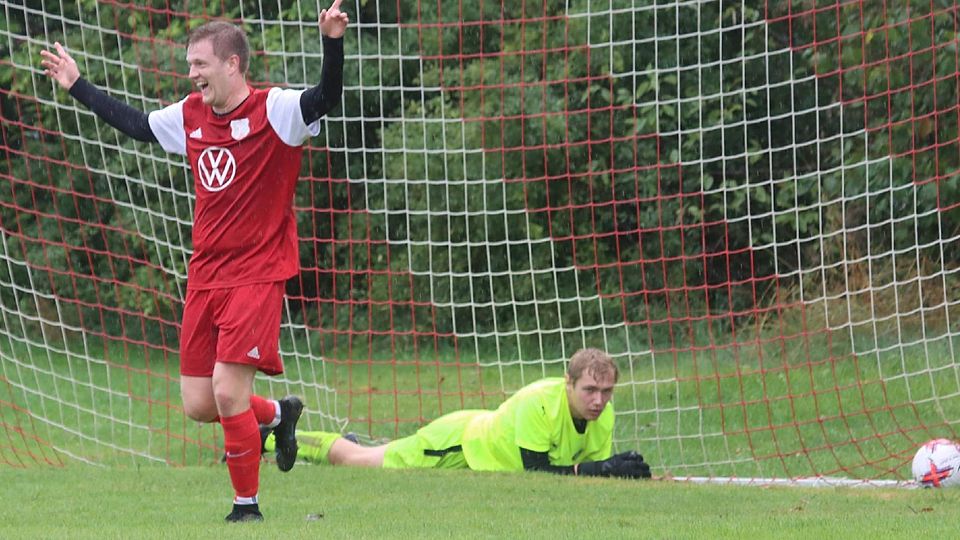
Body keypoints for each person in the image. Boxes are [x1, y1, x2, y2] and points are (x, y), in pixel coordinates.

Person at [39, 0, 350, 523]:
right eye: (189, 65)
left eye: (200, 64)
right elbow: (137, 124)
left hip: (258, 271)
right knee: (200, 403)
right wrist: (77, 85)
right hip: (206, 276)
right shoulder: (188, 115)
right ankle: (277, 414)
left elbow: (326, 96)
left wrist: (332, 42)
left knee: (229, 391)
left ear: (232, 64)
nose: (192, 74)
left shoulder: (276, 109)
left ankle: (246, 508)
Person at [261, 348, 651, 479]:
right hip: (458, 447)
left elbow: (595, 472)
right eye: (589, 390)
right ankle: (278, 432)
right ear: (568, 383)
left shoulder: (605, 415)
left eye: (606, 391)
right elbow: (538, 473)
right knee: (358, 462)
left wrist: (618, 471)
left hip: (481, 445)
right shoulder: (540, 402)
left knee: (371, 453)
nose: (599, 400)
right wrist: (601, 470)